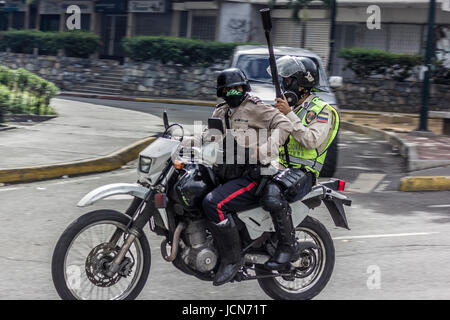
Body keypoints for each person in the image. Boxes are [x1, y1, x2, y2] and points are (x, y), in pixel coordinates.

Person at [198, 68, 293, 286]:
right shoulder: (222, 111)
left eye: (237, 88)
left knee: (214, 204)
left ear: (244, 88)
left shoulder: (255, 107)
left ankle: (233, 260)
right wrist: (179, 140)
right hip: (230, 171)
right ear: (222, 92)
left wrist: (264, 149)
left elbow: (285, 125)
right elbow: (207, 137)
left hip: (255, 175)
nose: (233, 92)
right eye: (228, 89)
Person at [262, 55, 340, 271]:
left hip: (303, 174)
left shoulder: (322, 110)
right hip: (279, 169)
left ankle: (287, 246)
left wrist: (288, 115)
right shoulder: (289, 108)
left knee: (272, 194)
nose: (284, 86)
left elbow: (311, 140)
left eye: (287, 81)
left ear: (300, 83)